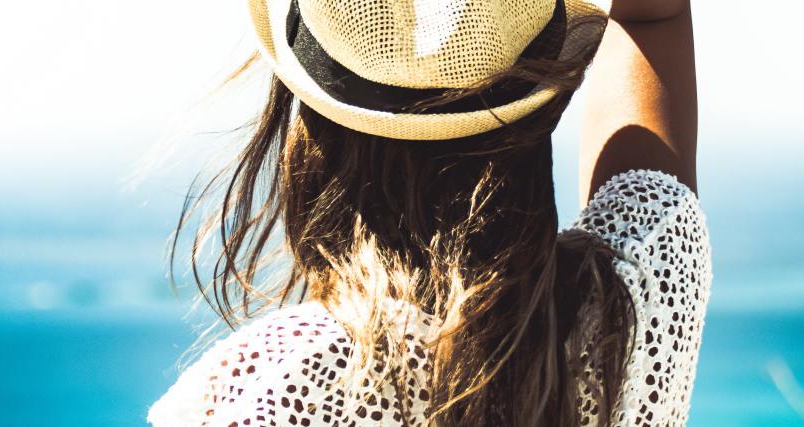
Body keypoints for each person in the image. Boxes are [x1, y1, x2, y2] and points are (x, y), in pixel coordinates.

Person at [149, 0, 707, 425]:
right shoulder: (634, 310)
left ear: (307, 122)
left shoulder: (257, 388)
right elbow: (652, 18)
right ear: (547, 100)